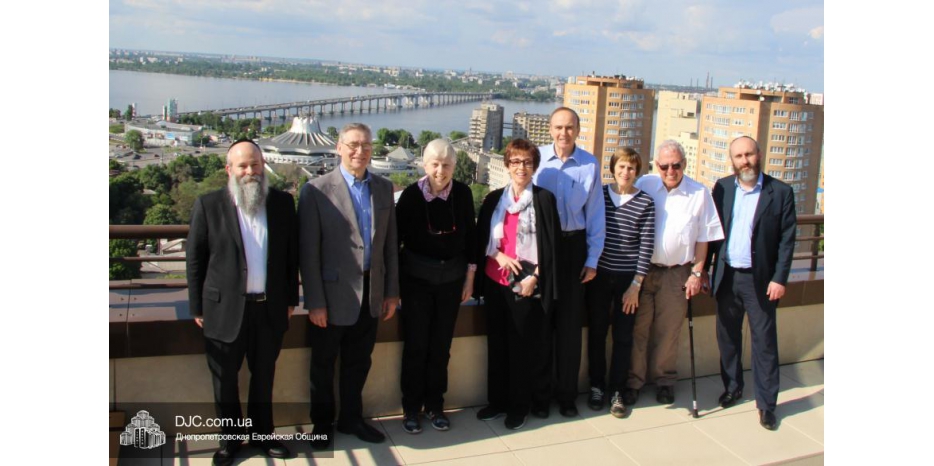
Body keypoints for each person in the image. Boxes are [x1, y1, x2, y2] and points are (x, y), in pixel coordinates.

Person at [186, 139, 297, 466]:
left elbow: (292, 258)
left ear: (264, 165)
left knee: (264, 378)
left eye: (255, 164)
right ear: (229, 170)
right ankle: (230, 442)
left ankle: (263, 436)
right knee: (225, 382)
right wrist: (197, 307)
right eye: (243, 166)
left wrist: (291, 300)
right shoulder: (209, 205)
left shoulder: (281, 203)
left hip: (269, 309)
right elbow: (195, 260)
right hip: (223, 311)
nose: (250, 171)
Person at [298, 123, 400, 449]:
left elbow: (389, 246)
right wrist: (314, 301)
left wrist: (391, 292)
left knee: (359, 363)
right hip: (331, 295)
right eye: (353, 145)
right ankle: (322, 424)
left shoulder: (384, 188)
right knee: (323, 365)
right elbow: (308, 252)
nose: (360, 151)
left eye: (367, 145)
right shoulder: (315, 190)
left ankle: (352, 419)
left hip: (371, 293)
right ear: (338, 148)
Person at [624, 140, 724, 407]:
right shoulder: (644, 184)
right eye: (665, 166)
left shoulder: (699, 193)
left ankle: (665, 381)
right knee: (639, 328)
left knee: (669, 331)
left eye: (676, 165)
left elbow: (705, 238)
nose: (670, 171)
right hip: (642, 272)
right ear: (657, 165)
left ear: (684, 164)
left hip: (677, 274)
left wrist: (697, 272)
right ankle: (633, 382)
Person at [708, 136, 796, 431]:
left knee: (765, 344)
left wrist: (779, 278)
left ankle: (767, 404)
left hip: (761, 282)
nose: (744, 161)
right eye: (738, 156)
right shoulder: (722, 188)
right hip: (727, 276)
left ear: (759, 155)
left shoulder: (780, 192)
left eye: (749, 154)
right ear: (732, 161)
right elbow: (711, 231)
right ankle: (733, 387)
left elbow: (787, 240)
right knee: (728, 339)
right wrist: (701, 272)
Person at [474, 139, 559, 430]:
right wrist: (497, 254)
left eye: (527, 162)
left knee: (521, 348)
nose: (521, 167)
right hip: (494, 281)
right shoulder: (495, 199)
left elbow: (552, 246)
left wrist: (535, 278)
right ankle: (497, 402)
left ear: (534, 166)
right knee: (497, 345)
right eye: (515, 162)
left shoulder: (544, 200)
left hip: (526, 285)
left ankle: (519, 406)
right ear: (507, 165)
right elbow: (481, 238)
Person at [395, 139, 477, 434]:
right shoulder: (410, 197)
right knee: (416, 346)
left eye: (446, 164)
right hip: (416, 281)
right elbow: (395, 242)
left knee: (441, 346)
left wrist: (469, 278)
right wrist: (397, 287)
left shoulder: (464, 194)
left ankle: (435, 406)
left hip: (451, 281)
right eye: (435, 164)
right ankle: (410, 409)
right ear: (424, 164)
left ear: (454, 166)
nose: (440, 170)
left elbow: (472, 239)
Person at [532, 107, 605, 417]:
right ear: (550, 130)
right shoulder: (536, 162)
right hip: (542, 250)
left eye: (570, 127)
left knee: (570, 327)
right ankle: (540, 396)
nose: (564, 133)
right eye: (559, 127)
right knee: (542, 322)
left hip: (575, 247)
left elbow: (596, 215)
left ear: (578, 129)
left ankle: (566, 396)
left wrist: (592, 259)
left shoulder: (589, 164)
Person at [584, 148, 655, 418]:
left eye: (632, 168)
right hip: (599, 275)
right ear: (613, 168)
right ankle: (597, 386)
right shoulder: (599, 195)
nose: (626, 172)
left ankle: (617, 390)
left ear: (638, 172)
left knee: (624, 336)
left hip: (628, 281)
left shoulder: (645, 202)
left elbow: (645, 246)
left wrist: (636, 285)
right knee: (597, 333)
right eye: (622, 166)